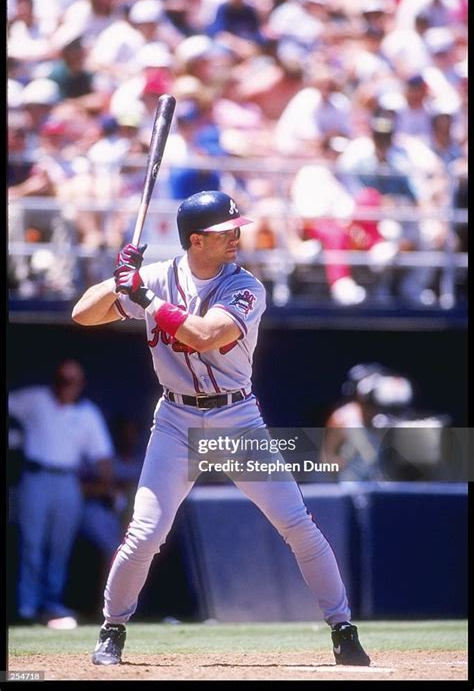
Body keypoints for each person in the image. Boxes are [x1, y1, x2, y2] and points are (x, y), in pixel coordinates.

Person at [72, 189, 370, 667]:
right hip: (175, 419)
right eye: (224, 232)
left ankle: (343, 629)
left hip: (237, 419)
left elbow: (206, 335)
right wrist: (116, 281)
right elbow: (83, 314)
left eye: (235, 229)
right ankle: (112, 630)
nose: (236, 236)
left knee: (297, 524)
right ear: (195, 240)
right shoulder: (159, 276)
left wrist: (142, 295)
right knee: (145, 533)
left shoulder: (245, 285)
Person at [8, 359, 115, 628]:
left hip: (68, 480)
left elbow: (102, 456)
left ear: (81, 385)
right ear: (54, 379)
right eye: (62, 380)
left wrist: (108, 488)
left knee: (60, 545)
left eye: (73, 381)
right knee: (31, 543)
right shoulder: (35, 398)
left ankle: (52, 604)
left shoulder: (87, 413)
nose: (67, 386)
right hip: (36, 476)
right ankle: (26, 605)